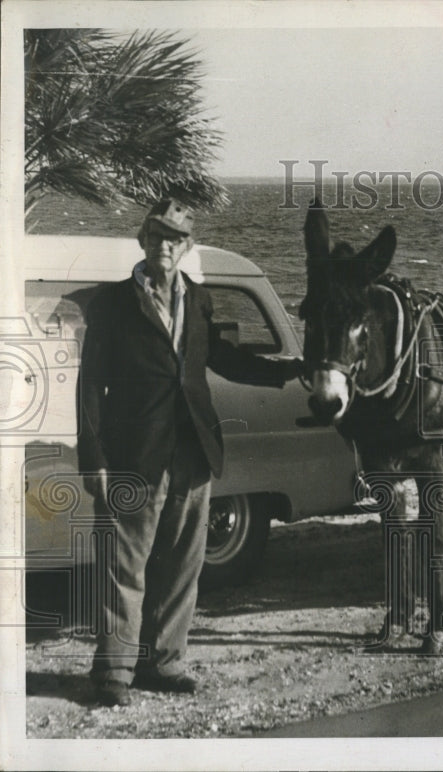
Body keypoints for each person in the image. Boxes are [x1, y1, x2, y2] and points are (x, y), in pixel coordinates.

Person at [78, 199, 302, 707]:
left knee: (182, 566)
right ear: (143, 239)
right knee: (123, 567)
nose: (164, 245)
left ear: (187, 247)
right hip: (133, 457)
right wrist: (93, 460)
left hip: (193, 453)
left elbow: (220, 357)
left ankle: (165, 663)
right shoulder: (112, 304)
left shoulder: (197, 300)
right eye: (156, 235)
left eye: (175, 238)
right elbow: (90, 386)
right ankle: (113, 673)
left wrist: (286, 371)